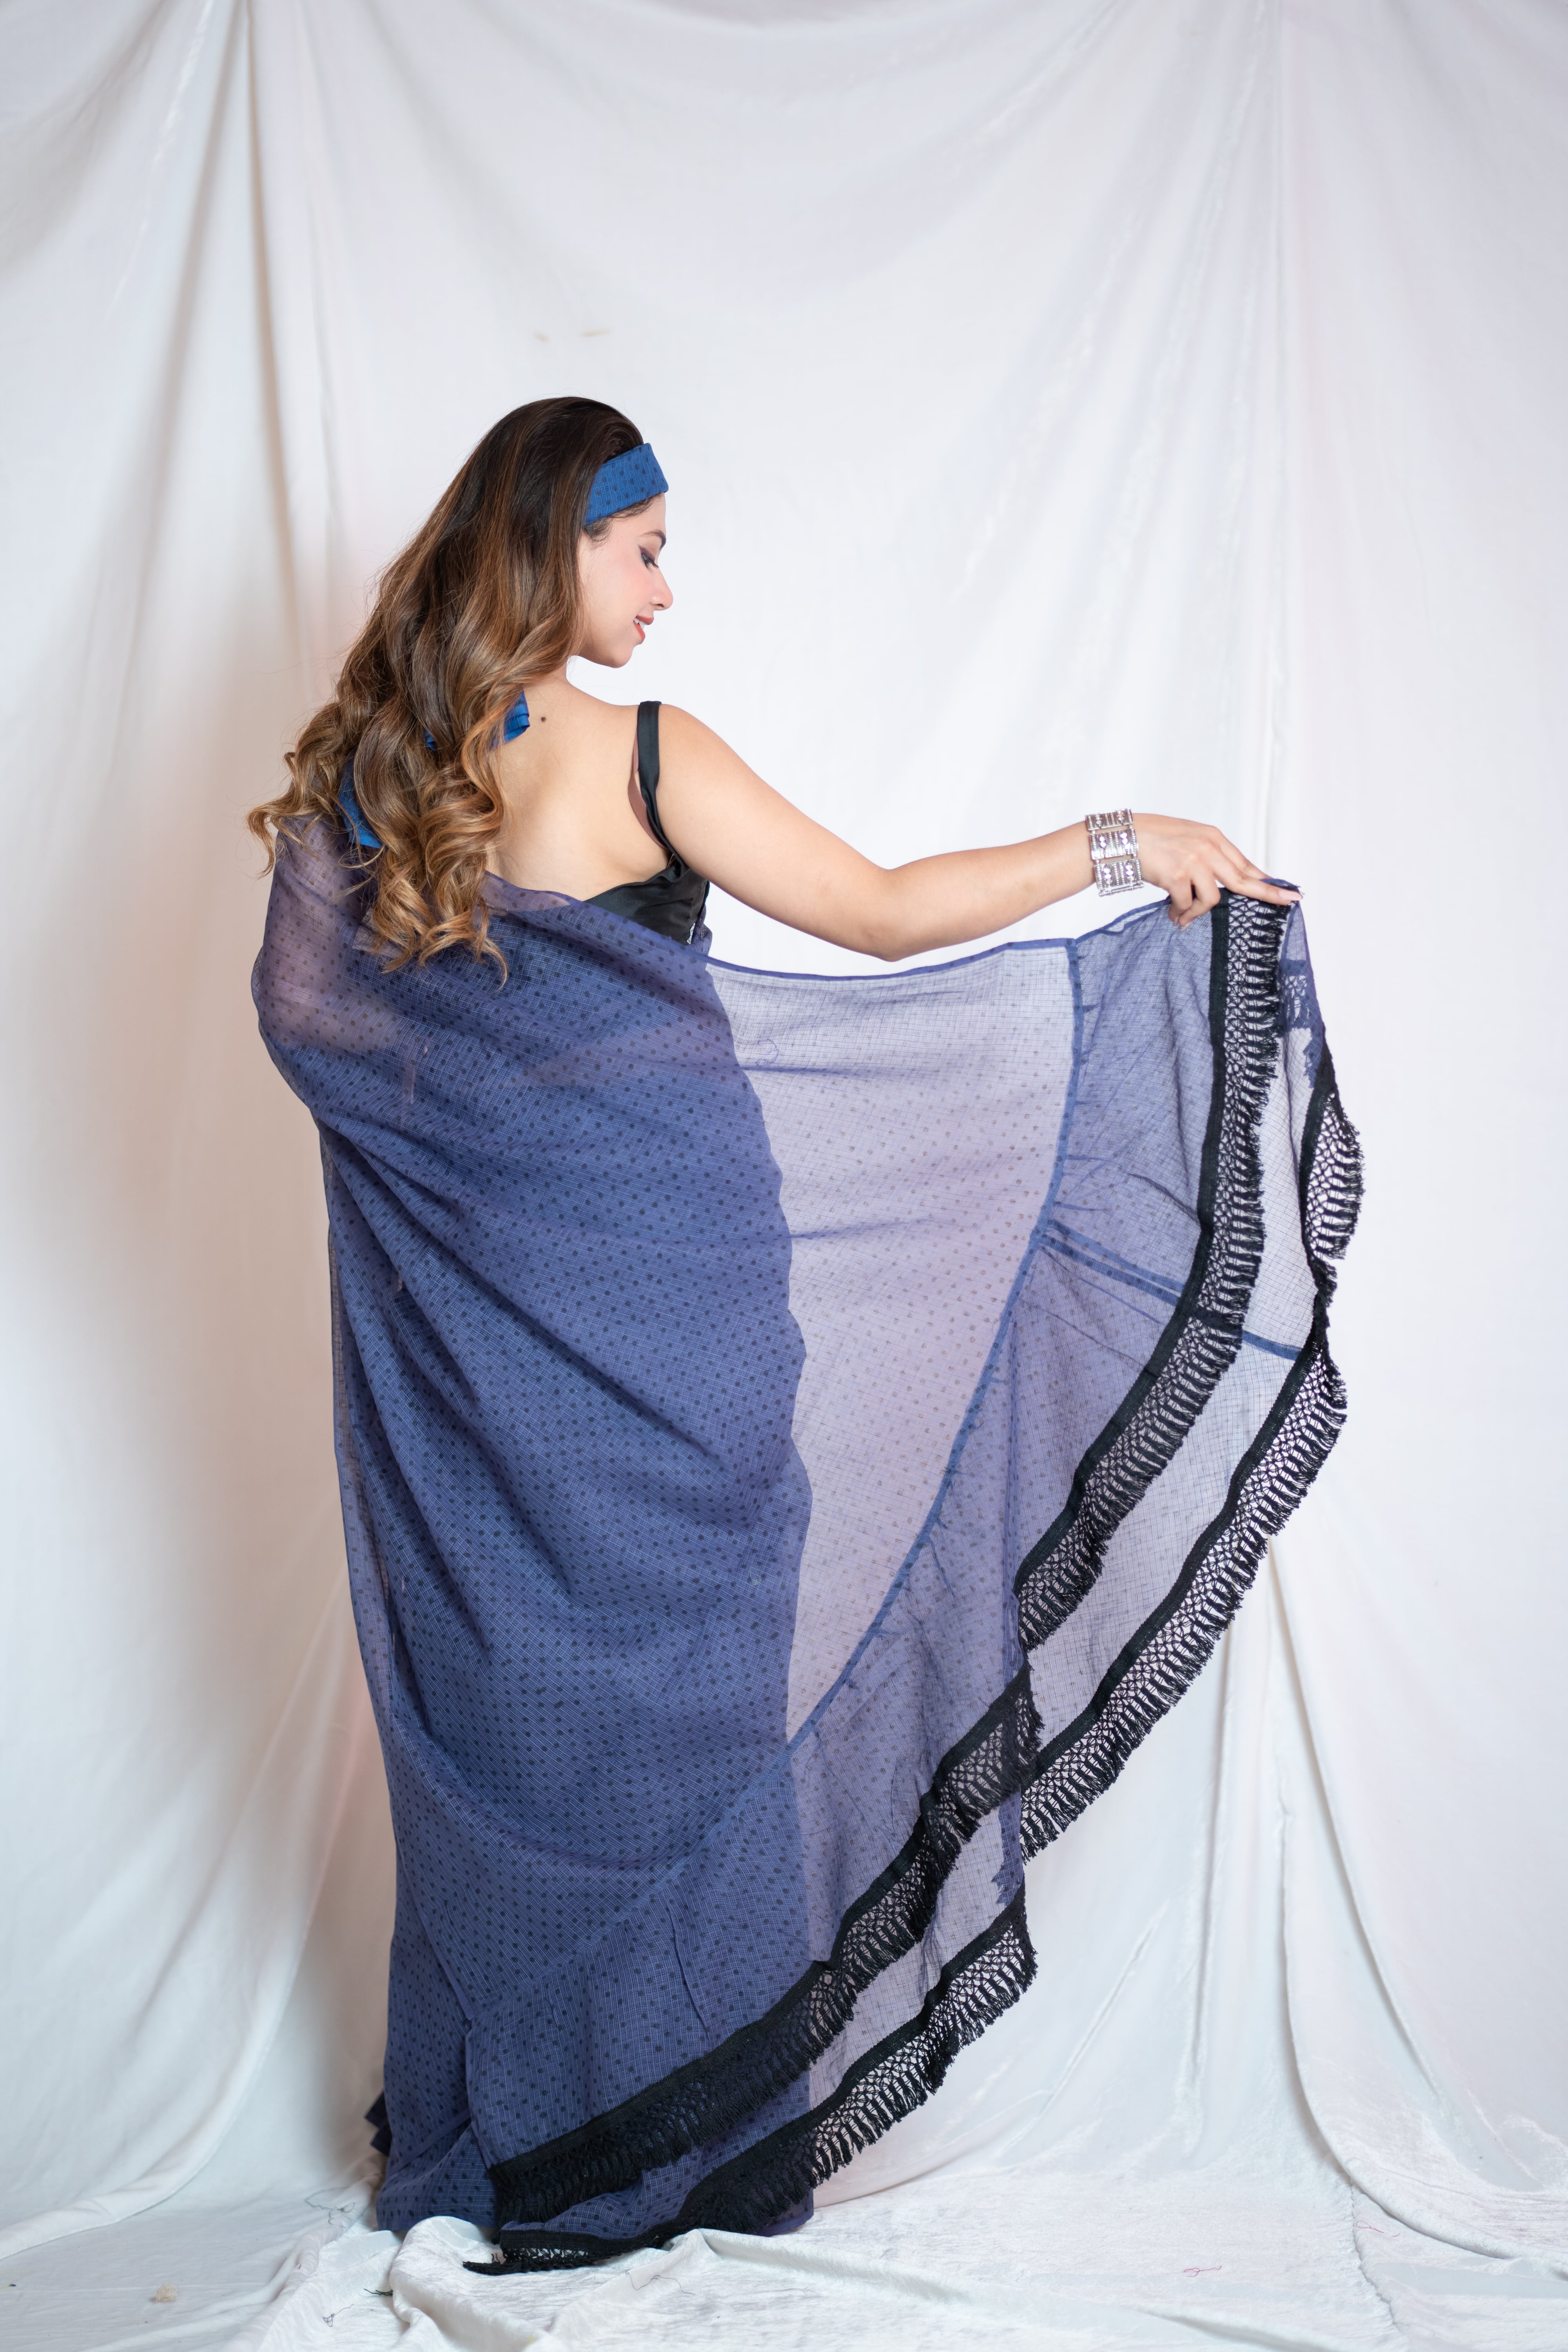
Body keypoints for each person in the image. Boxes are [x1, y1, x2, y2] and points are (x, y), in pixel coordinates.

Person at [250, 397, 1355, 2271]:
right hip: (682, 1310)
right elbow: (887, 916)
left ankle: (525, 2141)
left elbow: (316, 1034)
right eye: (643, 546)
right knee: (684, 1723)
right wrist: (1122, 840)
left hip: (498, 1355)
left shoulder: (374, 782)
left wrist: (492, 1186)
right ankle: (678, 2148)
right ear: (548, 542)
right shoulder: (642, 755)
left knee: (528, 1718)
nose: (665, 588)